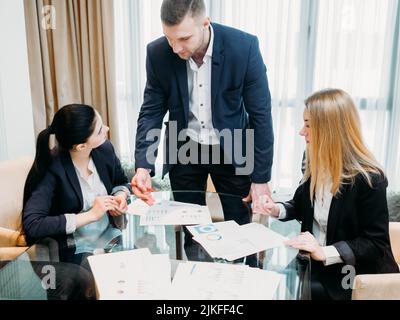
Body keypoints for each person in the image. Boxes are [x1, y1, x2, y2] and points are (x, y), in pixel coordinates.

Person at [131, 0, 274, 245]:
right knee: (191, 230)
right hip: (185, 147)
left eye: (184, 39)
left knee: (240, 228)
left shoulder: (244, 48)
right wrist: (143, 165)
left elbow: (261, 115)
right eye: (169, 38)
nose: (175, 48)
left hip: (232, 148)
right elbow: (151, 111)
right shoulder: (157, 53)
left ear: (205, 24)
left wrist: (260, 178)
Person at [259, 89, 399, 300]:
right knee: (272, 281)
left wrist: (324, 252)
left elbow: (375, 244)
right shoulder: (312, 158)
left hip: (354, 274)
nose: (301, 132)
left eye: (308, 124)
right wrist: (276, 208)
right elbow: (301, 204)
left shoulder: (369, 179)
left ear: (329, 129)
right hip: (313, 263)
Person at [23, 104, 131, 266]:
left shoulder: (105, 150)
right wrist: (91, 215)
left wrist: (119, 196)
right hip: (73, 248)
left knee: (138, 266)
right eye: (100, 130)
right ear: (81, 146)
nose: (107, 129)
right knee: (94, 281)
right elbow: (33, 224)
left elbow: (121, 182)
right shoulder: (53, 167)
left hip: (109, 236)